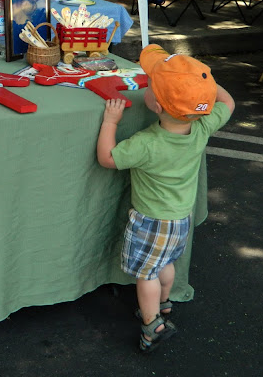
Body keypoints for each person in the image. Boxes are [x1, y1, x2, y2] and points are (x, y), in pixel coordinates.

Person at [96, 44, 235, 353]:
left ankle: (152, 324)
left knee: (146, 274)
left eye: (150, 84)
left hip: (151, 221)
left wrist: (111, 122)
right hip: (180, 218)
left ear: (156, 106)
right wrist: (201, 87)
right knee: (166, 263)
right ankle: (163, 302)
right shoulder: (202, 127)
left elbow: (107, 158)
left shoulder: (147, 143)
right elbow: (227, 101)